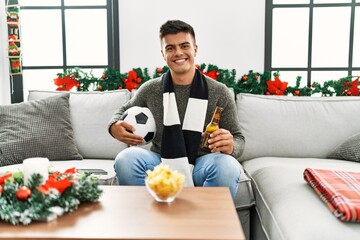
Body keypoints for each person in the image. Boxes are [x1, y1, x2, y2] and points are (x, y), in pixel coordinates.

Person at [108, 19, 245, 199]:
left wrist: (231, 145)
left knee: (228, 166)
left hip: (203, 163)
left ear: (195, 49)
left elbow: (238, 139)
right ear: (163, 54)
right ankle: (149, 221)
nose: (178, 52)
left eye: (184, 46)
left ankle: (206, 225)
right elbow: (121, 112)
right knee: (126, 159)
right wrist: (114, 126)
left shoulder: (219, 91)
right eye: (170, 48)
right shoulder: (151, 89)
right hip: (161, 162)